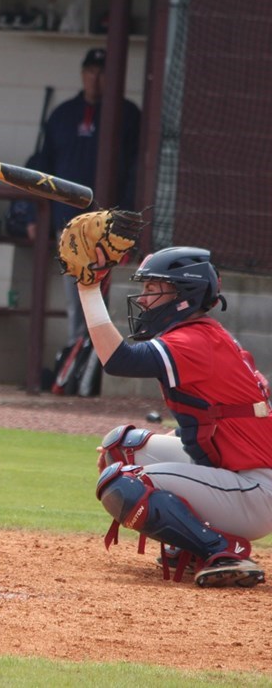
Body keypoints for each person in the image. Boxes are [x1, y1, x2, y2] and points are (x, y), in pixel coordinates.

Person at [84, 246, 271, 588]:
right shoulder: (203, 334)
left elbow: (119, 361)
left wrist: (88, 288)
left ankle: (223, 550)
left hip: (255, 490)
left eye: (154, 289)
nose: (143, 299)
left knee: (123, 481)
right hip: (237, 473)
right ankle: (185, 542)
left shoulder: (194, 340)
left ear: (184, 296)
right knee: (122, 446)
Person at [35, 47, 141, 346]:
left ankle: (100, 365)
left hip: (110, 228)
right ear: (83, 74)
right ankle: (75, 362)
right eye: (91, 72)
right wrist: (34, 216)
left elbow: (136, 170)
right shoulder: (63, 115)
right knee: (75, 301)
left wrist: (129, 219)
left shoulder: (128, 114)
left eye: (103, 72)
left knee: (107, 303)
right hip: (69, 224)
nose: (96, 79)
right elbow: (43, 167)